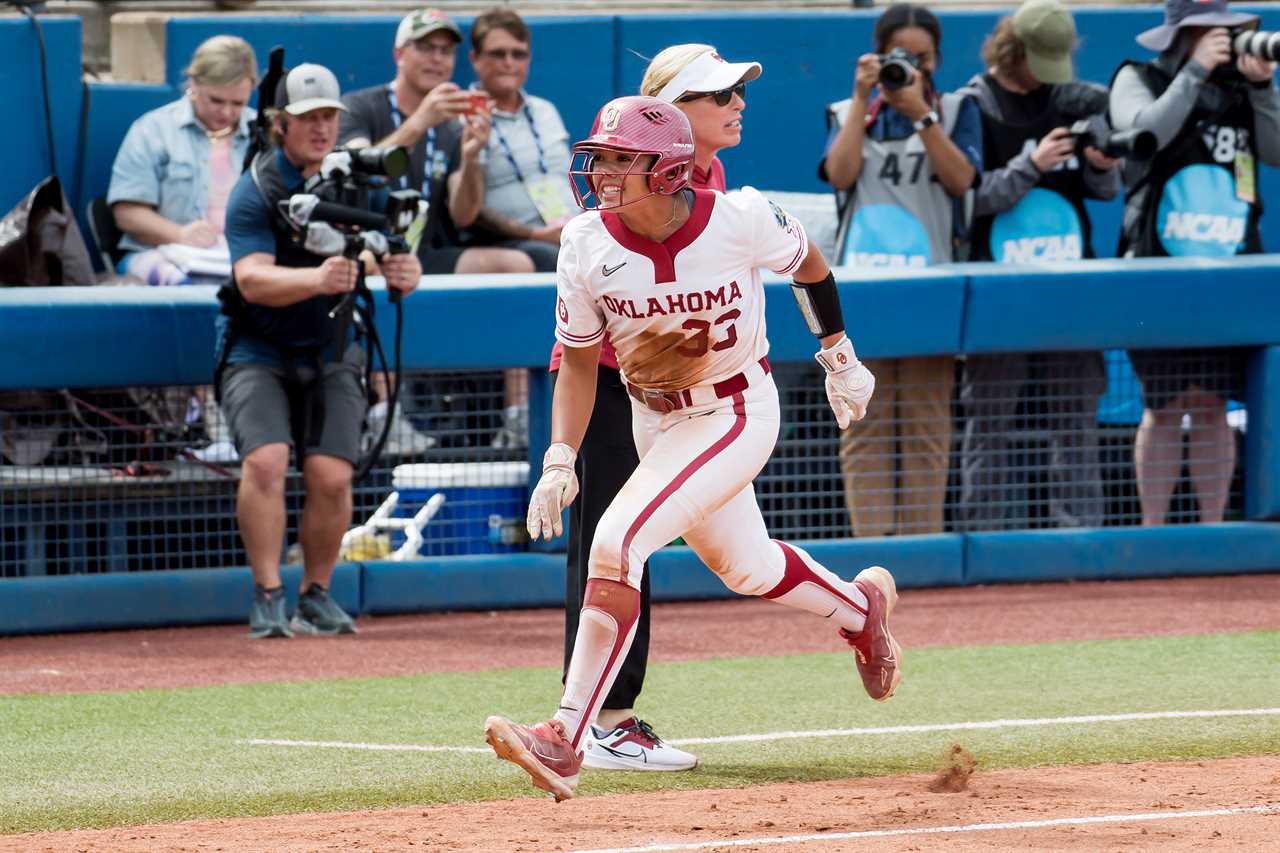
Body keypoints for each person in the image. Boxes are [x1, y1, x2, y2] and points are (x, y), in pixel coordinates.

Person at [483, 96, 900, 801]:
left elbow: (811, 266)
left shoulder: (737, 216)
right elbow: (580, 361)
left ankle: (565, 738)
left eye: (624, 159)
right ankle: (862, 611)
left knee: (617, 540)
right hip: (657, 416)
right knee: (747, 566)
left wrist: (839, 352)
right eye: (602, 157)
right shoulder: (585, 240)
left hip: (737, 408)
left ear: (670, 168)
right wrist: (559, 458)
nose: (605, 171)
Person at [550, 44, 762, 774]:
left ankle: (602, 718)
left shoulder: (714, 182)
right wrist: (560, 451)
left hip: (685, 397)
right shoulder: (629, 174)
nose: (734, 102)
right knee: (611, 541)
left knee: (678, 549)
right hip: (612, 379)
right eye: (715, 94)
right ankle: (603, 721)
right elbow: (584, 329)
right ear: (669, 110)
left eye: (735, 91)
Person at [220, 63, 423, 638]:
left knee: (332, 474)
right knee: (266, 460)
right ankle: (267, 593)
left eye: (329, 115)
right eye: (307, 117)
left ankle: (316, 593)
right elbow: (251, 279)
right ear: (281, 123)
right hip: (258, 344)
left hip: (335, 342)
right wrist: (317, 279)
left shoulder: (361, 176)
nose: (321, 127)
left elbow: (396, 254)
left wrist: (404, 270)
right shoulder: (258, 187)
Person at [1110, 0, 1280, 525]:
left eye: (1225, 31)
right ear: (1181, 34)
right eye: (1209, 31)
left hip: (1229, 273)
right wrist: (1194, 72)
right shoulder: (1136, 77)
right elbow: (1145, 132)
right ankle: (1153, 533)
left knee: (1211, 407)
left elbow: (1275, 152)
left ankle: (1211, 532)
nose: (1222, 40)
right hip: (1158, 273)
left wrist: (1262, 89)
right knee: (1163, 408)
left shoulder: (1241, 88)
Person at [954, 0, 1121, 531]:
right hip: (997, 290)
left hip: (1071, 285)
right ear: (1012, 49)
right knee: (989, 421)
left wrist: (1100, 165)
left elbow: (1106, 189)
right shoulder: (972, 106)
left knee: (1075, 420)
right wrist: (1032, 165)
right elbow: (968, 201)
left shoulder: (1074, 101)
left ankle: (1080, 539)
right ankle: (982, 539)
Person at [819, 4, 981, 538]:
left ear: (936, 58)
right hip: (862, 288)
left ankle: (924, 552)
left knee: (927, 426)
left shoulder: (958, 109)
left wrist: (921, 113)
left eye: (922, 58)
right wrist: (865, 97)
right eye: (900, 57)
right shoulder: (847, 109)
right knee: (864, 427)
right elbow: (840, 175)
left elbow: (961, 181)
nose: (911, 67)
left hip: (932, 285)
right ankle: (876, 561)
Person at [339, 8, 529, 454]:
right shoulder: (361, 106)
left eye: (446, 50)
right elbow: (354, 174)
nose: (437, 58)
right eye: (425, 47)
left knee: (514, 264)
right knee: (371, 263)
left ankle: (521, 413)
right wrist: (417, 123)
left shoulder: (449, 123)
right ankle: (387, 416)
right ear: (399, 53)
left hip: (425, 250)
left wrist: (473, 156)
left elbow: (463, 215)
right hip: (365, 245)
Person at [108, 35, 256, 286]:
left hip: (244, 255)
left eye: (238, 103)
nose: (227, 112)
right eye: (216, 100)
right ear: (194, 83)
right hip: (163, 253)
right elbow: (127, 213)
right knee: (187, 287)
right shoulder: (153, 130)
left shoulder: (262, 132)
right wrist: (179, 234)